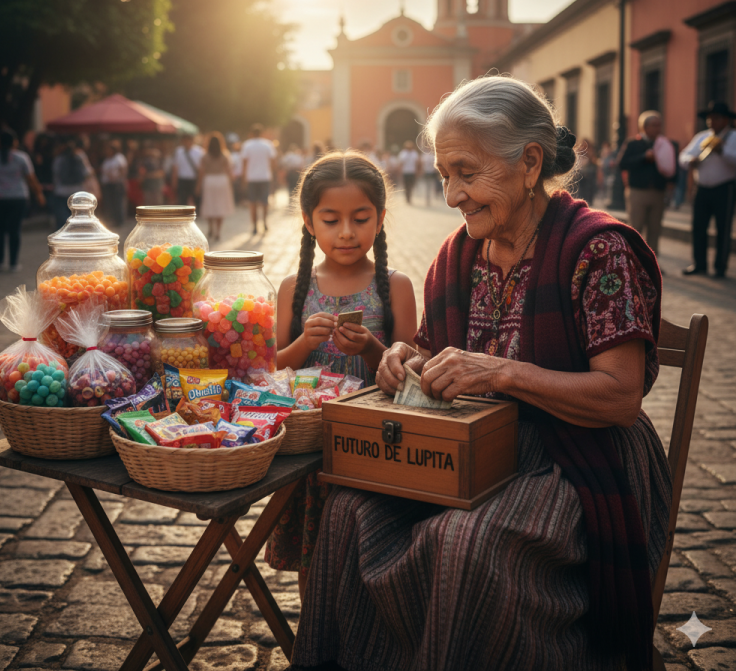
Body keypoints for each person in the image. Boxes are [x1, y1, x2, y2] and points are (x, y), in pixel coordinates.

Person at [291, 76, 671, 671]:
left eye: (466, 172)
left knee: (464, 542)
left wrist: (504, 372)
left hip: (576, 457)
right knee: (347, 514)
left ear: (529, 163)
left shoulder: (598, 250)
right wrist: (405, 360)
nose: (450, 195)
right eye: (444, 174)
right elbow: (436, 353)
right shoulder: (460, 253)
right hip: (471, 444)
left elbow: (619, 398)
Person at [267, 152, 417, 602]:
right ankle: (316, 640)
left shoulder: (396, 285)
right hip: (310, 450)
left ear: (381, 218)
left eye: (360, 218)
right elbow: (273, 369)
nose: (347, 232)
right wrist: (302, 346)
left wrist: (372, 347)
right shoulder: (295, 289)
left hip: (374, 445)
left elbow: (409, 372)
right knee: (313, 558)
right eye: (331, 219)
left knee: (371, 558)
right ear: (309, 222)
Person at [680, 100, 736, 277]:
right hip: (702, 188)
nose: (712, 122)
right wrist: (690, 161)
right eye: (710, 118)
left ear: (726, 120)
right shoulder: (701, 137)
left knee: (723, 228)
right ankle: (700, 264)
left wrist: (722, 151)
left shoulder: (733, 137)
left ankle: (720, 267)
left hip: (724, 188)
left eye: (717, 118)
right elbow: (683, 156)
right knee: (698, 227)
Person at [0, 129, 45, 272]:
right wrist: (39, 194)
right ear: (14, 142)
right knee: (15, 230)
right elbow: (31, 178)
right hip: (18, 197)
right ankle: (13, 263)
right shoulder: (21, 157)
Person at [618, 111, 669, 257]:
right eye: (653, 125)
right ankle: (633, 262)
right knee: (636, 228)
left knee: (655, 229)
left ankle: (652, 264)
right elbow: (623, 163)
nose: (657, 128)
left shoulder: (663, 144)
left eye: (659, 125)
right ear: (644, 127)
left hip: (658, 192)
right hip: (637, 192)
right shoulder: (633, 143)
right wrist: (643, 157)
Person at [197, 134, 235, 241]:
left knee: (210, 205)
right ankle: (218, 230)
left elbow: (201, 172)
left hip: (209, 181)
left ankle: (211, 228)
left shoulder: (205, 156)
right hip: (222, 180)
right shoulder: (224, 155)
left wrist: (198, 185)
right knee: (220, 206)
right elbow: (228, 170)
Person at [51, 137, 95, 229]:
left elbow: (55, 174)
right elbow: (87, 173)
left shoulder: (59, 159)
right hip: (78, 191)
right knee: (78, 217)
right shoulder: (79, 157)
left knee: (62, 219)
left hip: (61, 192)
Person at [240, 124, 276, 235]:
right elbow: (273, 161)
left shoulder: (247, 145)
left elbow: (244, 163)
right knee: (264, 202)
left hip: (252, 178)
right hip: (265, 176)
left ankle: (254, 225)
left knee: (253, 202)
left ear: (251, 133)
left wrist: (244, 178)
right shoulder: (267, 144)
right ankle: (264, 222)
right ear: (262, 133)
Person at [99, 140, 128, 228]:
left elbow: (123, 170)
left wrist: (116, 177)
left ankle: (119, 221)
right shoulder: (107, 159)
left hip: (116, 184)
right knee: (110, 203)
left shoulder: (119, 158)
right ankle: (112, 220)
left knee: (117, 203)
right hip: (108, 185)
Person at [171, 134, 204, 208]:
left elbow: (201, 170)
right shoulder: (179, 151)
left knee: (196, 200)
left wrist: (199, 184)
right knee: (182, 201)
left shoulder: (199, 151)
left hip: (194, 179)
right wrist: (174, 181)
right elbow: (175, 167)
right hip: (182, 179)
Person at [574, 138, 601, 206]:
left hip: (589, 176)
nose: (584, 146)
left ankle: (588, 203)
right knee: (581, 192)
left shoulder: (590, 152)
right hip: (581, 176)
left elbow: (594, 162)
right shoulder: (579, 152)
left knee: (589, 192)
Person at [398, 139, 421, 204]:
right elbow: (401, 163)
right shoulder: (403, 153)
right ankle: (407, 197)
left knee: (411, 185)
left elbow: (417, 163)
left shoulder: (414, 153)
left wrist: (417, 171)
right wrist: (400, 172)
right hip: (405, 172)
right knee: (406, 185)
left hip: (412, 172)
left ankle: (409, 196)